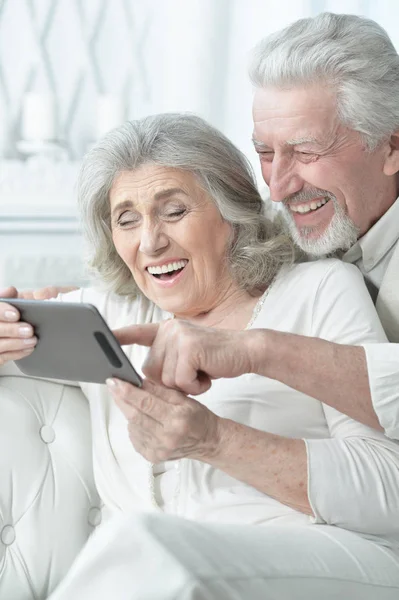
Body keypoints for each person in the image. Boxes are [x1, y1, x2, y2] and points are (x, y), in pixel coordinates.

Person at [1, 113, 399, 599]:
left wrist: (213, 440)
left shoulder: (320, 290)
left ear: (231, 213)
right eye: (127, 220)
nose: (150, 242)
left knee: (148, 544)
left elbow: (389, 488)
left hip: (328, 562)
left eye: (173, 211)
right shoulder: (103, 315)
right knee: (148, 549)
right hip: (160, 580)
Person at [116, 12, 399, 442]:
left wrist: (256, 350)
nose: (279, 187)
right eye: (266, 154)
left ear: (391, 147)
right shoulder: (304, 227)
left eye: (305, 152)